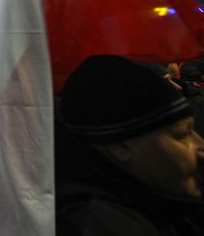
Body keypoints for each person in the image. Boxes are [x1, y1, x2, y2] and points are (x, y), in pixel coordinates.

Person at [57, 55, 204, 234]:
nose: (200, 147)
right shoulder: (101, 225)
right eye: (181, 136)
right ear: (121, 147)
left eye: (194, 131)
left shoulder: (159, 199)